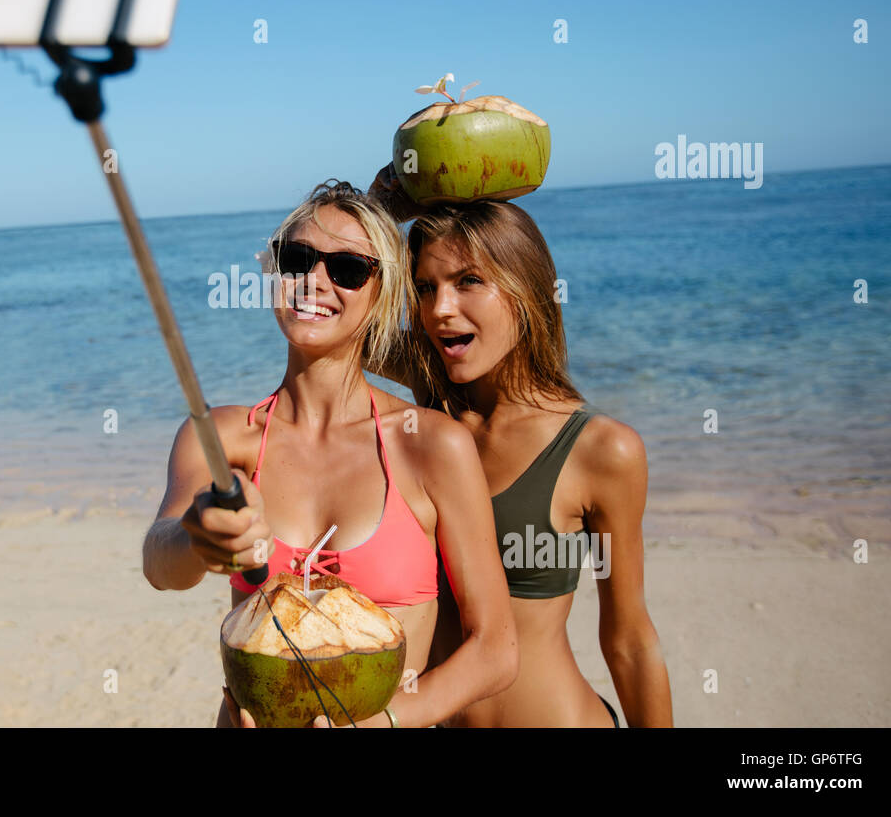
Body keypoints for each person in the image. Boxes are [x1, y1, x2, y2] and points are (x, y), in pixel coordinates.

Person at [142, 180, 517, 727]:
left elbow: (496, 649)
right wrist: (198, 533)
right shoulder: (226, 438)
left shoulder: (429, 443)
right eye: (296, 259)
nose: (314, 281)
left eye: (347, 269)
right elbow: (159, 565)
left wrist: (386, 722)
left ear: (383, 292)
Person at [368, 165, 673, 727]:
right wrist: (379, 208)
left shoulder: (603, 450)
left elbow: (629, 639)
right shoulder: (432, 400)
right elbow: (317, 300)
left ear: (527, 290)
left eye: (469, 281)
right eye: (426, 287)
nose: (439, 310)